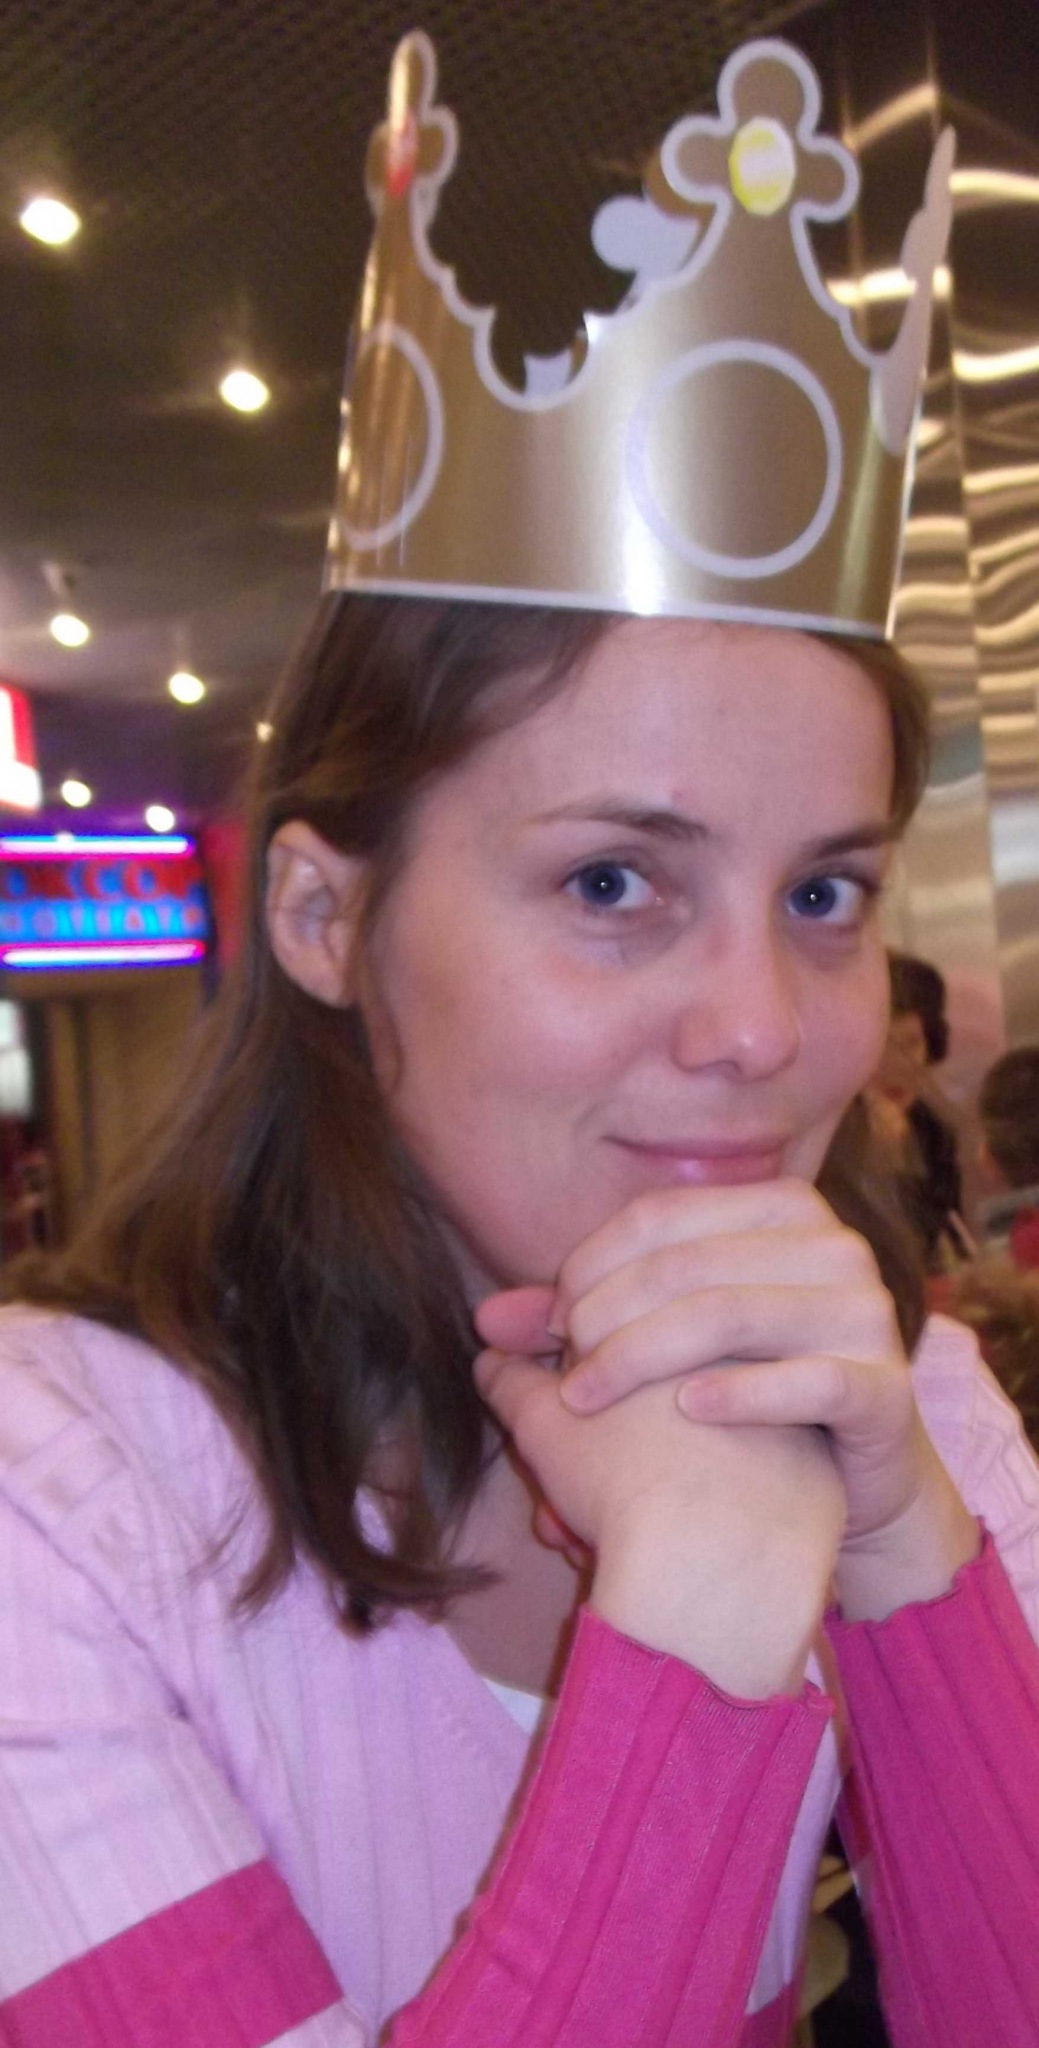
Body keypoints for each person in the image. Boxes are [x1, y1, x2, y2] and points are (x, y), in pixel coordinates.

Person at [3, 31, 1039, 2048]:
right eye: (610, 879)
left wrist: (902, 1555)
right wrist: (699, 1625)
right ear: (325, 919)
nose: (761, 1031)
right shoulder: (66, 1490)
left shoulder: (897, 1393)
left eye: (821, 892)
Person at [870, 951, 968, 1268]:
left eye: (911, 1043)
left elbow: (938, 1245)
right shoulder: (819, 1140)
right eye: (880, 1045)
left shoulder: (934, 1133)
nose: (897, 1065)